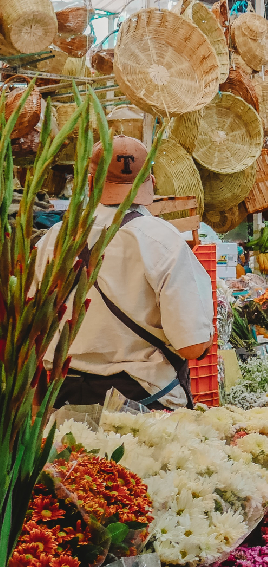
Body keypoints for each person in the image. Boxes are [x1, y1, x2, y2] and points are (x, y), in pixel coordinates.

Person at [35, 136, 215, 410]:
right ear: (151, 183)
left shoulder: (55, 238)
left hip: (62, 400)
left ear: (91, 182)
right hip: (141, 405)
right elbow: (191, 346)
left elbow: (32, 325)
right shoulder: (164, 241)